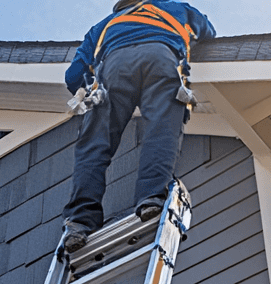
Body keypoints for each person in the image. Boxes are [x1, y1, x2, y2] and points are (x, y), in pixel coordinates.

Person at [61, 0, 215, 253]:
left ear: (120, 7)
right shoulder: (175, 8)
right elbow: (207, 30)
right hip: (161, 57)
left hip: (113, 67)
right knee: (162, 129)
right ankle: (151, 197)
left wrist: (85, 87)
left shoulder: (102, 27)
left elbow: (73, 75)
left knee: (94, 146)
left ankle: (80, 222)